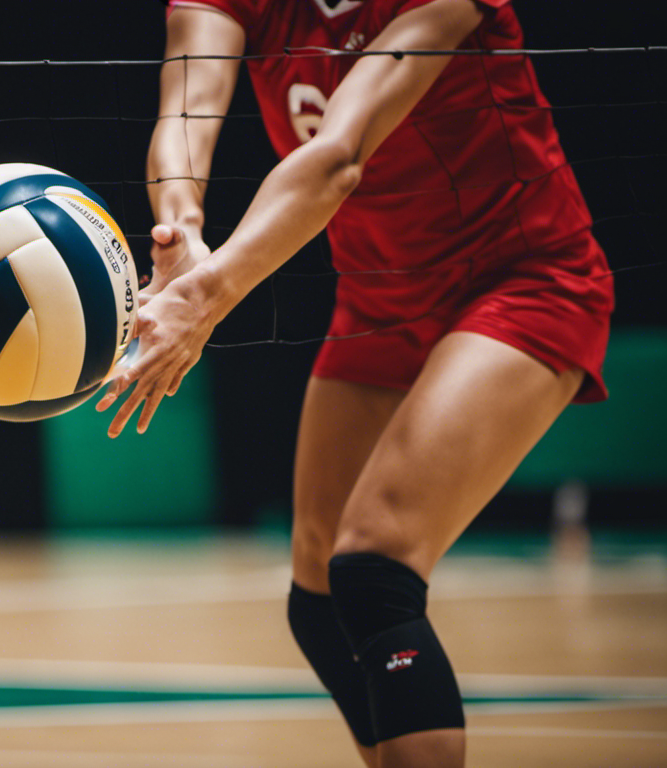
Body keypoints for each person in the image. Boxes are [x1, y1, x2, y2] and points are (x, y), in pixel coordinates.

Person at [99, 1, 613, 766]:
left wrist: (208, 299)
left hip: (522, 277)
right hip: (382, 297)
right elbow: (188, 102)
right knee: (320, 599)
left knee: (374, 566)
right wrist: (183, 231)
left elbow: (341, 154)